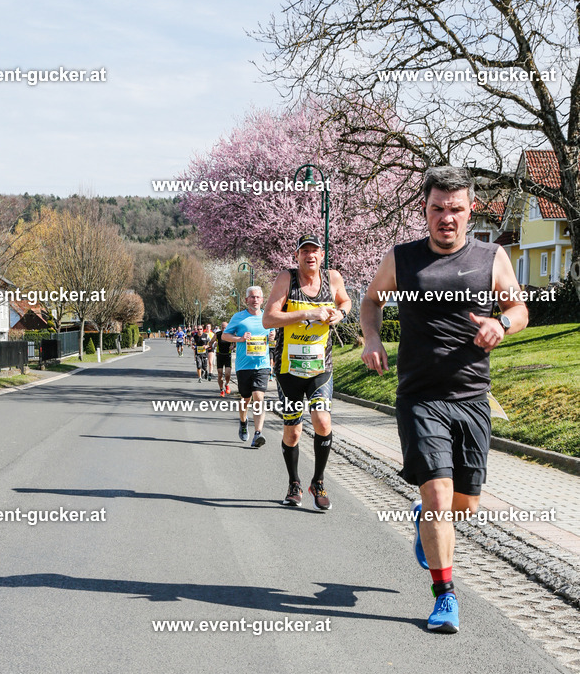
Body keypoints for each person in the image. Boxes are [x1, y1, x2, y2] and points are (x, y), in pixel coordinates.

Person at [360, 165, 528, 634]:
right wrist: (371, 340)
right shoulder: (403, 258)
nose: (446, 218)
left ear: (471, 210)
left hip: (472, 397)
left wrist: (503, 323)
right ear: (425, 210)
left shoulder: (491, 257)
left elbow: (519, 307)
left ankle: (424, 522)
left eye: (456, 209)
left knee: (464, 506)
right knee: (436, 495)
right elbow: (370, 301)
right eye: (438, 209)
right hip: (419, 397)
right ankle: (444, 595)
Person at [263, 234, 351, 510]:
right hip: (288, 368)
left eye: (315, 251)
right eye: (305, 252)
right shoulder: (286, 280)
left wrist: (341, 314)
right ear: (297, 256)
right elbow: (268, 319)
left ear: (322, 256)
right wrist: (307, 314)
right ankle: (294, 483)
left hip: (319, 368)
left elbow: (345, 301)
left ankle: (319, 482)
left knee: (323, 423)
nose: (310, 255)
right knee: (293, 431)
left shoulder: (332, 278)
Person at [223, 286, 271, 447]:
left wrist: (273, 335)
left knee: (258, 397)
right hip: (244, 365)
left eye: (258, 297)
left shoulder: (268, 316)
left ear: (262, 300)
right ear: (246, 300)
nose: (255, 299)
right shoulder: (239, 317)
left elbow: (274, 334)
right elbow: (225, 335)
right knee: (246, 398)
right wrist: (240, 339)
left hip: (262, 364)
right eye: (252, 297)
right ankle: (243, 422)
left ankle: (258, 433)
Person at [216, 321, 233, 395]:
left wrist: (233, 346)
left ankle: (227, 384)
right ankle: (221, 389)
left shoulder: (231, 334)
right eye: (222, 328)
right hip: (220, 355)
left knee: (227, 373)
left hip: (227, 355)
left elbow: (235, 342)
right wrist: (209, 345)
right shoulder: (218, 334)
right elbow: (211, 341)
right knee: (220, 374)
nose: (224, 329)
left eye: (225, 328)